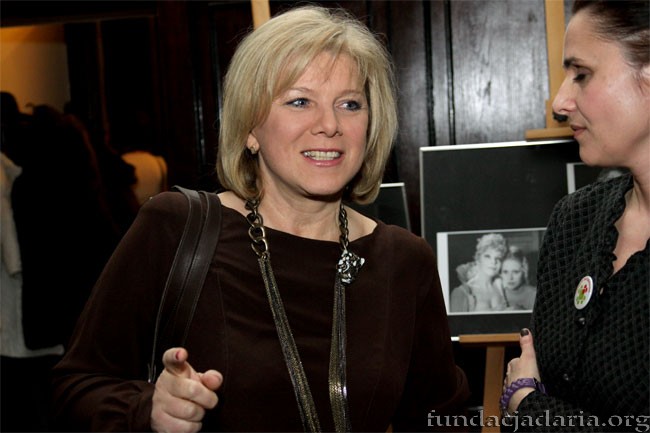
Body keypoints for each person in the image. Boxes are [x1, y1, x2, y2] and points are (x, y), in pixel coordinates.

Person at [51, 6, 469, 432]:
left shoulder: (403, 261)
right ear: (250, 127)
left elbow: (439, 416)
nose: (330, 125)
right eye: (300, 101)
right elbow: (76, 386)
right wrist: (148, 411)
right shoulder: (176, 229)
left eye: (349, 104)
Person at [502, 0, 649, 431]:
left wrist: (527, 404)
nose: (560, 102)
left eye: (581, 74)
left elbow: (527, 394)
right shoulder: (575, 218)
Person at [450, 233, 507, 312]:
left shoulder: (500, 285)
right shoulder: (462, 292)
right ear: (478, 259)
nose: (493, 262)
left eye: (498, 258)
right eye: (487, 256)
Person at [495, 246, 536, 311]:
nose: (510, 277)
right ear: (500, 273)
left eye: (515, 272)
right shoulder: (496, 294)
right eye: (505, 272)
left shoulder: (534, 294)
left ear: (524, 271)